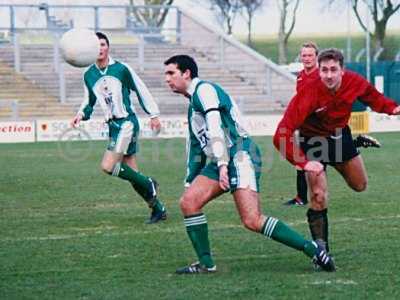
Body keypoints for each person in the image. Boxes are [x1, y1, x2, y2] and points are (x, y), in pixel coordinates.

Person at [164, 54, 335, 274]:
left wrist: (224, 165)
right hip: (222, 160)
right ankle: (206, 265)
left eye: (171, 73)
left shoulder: (204, 90)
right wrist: (190, 182)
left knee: (252, 220)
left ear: (186, 73)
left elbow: (216, 126)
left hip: (240, 154)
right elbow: (196, 148)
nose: (167, 79)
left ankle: (313, 249)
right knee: (189, 202)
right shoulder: (193, 105)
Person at [273, 48, 400, 255]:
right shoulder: (308, 92)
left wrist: (393, 108)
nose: (329, 75)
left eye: (333, 70)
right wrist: (303, 163)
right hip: (313, 142)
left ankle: (356, 144)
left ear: (342, 71)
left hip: (340, 136)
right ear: (319, 71)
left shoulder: (355, 81)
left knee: (360, 185)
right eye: (324, 70)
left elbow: (373, 97)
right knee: (317, 194)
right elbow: (281, 134)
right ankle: (320, 250)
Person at [71, 32, 167, 224]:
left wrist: (153, 114)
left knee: (108, 166)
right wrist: (81, 114)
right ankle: (158, 209)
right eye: (96, 45)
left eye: (103, 44)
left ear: (108, 47)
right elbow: (89, 101)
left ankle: (149, 182)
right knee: (133, 175)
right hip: (113, 127)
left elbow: (140, 89)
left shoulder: (121, 69)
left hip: (127, 123)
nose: (100, 48)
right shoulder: (88, 74)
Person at [284, 42, 381, 207]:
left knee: (318, 166)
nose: (306, 58)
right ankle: (303, 197)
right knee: (304, 166)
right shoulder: (301, 76)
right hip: (310, 128)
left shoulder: (322, 76)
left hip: (326, 130)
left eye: (310, 55)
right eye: (304, 55)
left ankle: (304, 197)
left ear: (316, 58)